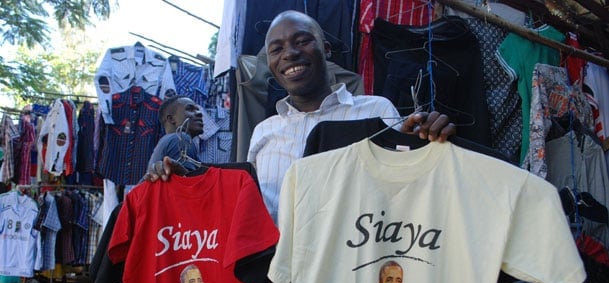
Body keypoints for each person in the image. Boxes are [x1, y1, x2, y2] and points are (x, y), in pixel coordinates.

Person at [145, 10, 456, 220]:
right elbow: (246, 204)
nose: (290, 53)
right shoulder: (264, 132)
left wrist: (427, 143)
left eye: (302, 41)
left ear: (326, 48)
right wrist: (178, 181)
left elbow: (405, 189)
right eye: (277, 49)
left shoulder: (376, 111)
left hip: (353, 277)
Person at [147, 95, 204, 171]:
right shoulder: (180, 139)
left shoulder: (169, 141)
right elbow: (186, 180)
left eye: (198, 109)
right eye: (190, 109)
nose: (199, 113)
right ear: (171, 119)